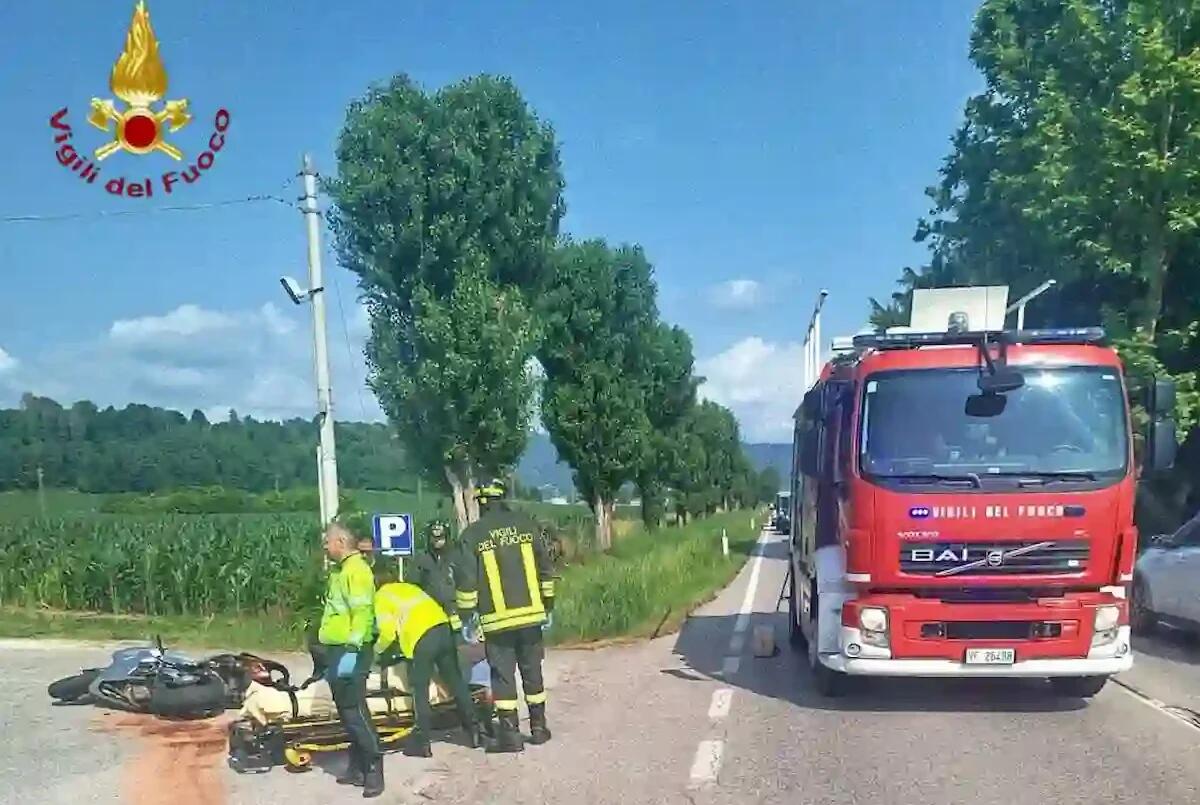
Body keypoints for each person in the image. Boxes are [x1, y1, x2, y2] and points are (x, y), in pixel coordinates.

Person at [454, 479, 558, 753]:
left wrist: (466, 616)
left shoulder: (473, 534)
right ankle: (539, 728)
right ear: (504, 497)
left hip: (497, 622)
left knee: (503, 677)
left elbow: (466, 582)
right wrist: (548, 605)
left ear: (481, 503)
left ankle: (510, 736)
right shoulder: (527, 525)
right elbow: (546, 569)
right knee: (532, 671)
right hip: (531, 617)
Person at [373, 563, 486, 757]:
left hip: (421, 639)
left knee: (420, 689)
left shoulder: (382, 596)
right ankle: (474, 731)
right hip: (443, 629)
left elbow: (387, 634)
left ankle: (422, 742)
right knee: (456, 682)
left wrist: (376, 655)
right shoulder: (411, 588)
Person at [318, 521, 384, 798]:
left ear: (341, 542)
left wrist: (353, 649)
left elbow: (363, 613)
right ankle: (356, 766)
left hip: (351, 649)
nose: (324, 546)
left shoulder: (356, 571)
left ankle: (374, 768)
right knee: (345, 711)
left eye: (327, 541)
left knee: (355, 710)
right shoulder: (341, 570)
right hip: (338, 649)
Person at [408, 519, 463, 633]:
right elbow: (413, 587)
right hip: (431, 613)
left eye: (440, 538)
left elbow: (467, 581)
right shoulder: (422, 559)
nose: (437, 541)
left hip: (455, 613)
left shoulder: (458, 556)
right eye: (433, 538)